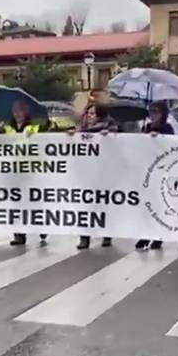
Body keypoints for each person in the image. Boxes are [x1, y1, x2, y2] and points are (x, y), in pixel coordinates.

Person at [71, 103, 116, 250]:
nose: (90, 116)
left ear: (100, 115)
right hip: (86, 175)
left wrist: (108, 134)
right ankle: (85, 238)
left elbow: (119, 140)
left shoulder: (110, 127)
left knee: (103, 206)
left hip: (103, 174)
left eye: (93, 113)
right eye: (88, 113)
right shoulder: (83, 130)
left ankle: (107, 234)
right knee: (85, 207)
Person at [5, 100, 47, 247]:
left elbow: (48, 136)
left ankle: (41, 228)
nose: (17, 114)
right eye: (15, 112)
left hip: (31, 171)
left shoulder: (34, 127)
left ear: (26, 112)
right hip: (14, 171)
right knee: (16, 204)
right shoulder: (7, 128)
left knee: (33, 203)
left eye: (20, 111)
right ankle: (19, 235)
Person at [136, 101, 174, 251]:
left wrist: (159, 137)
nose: (153, 115)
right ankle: (145, 235)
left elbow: (171, 145)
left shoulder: (167, 128)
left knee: (159, 206)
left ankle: (158, 237)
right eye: (151, 111)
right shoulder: (145, 127)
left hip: (162, 171)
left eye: (156, 111)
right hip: (146, 171)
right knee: (146, 205)